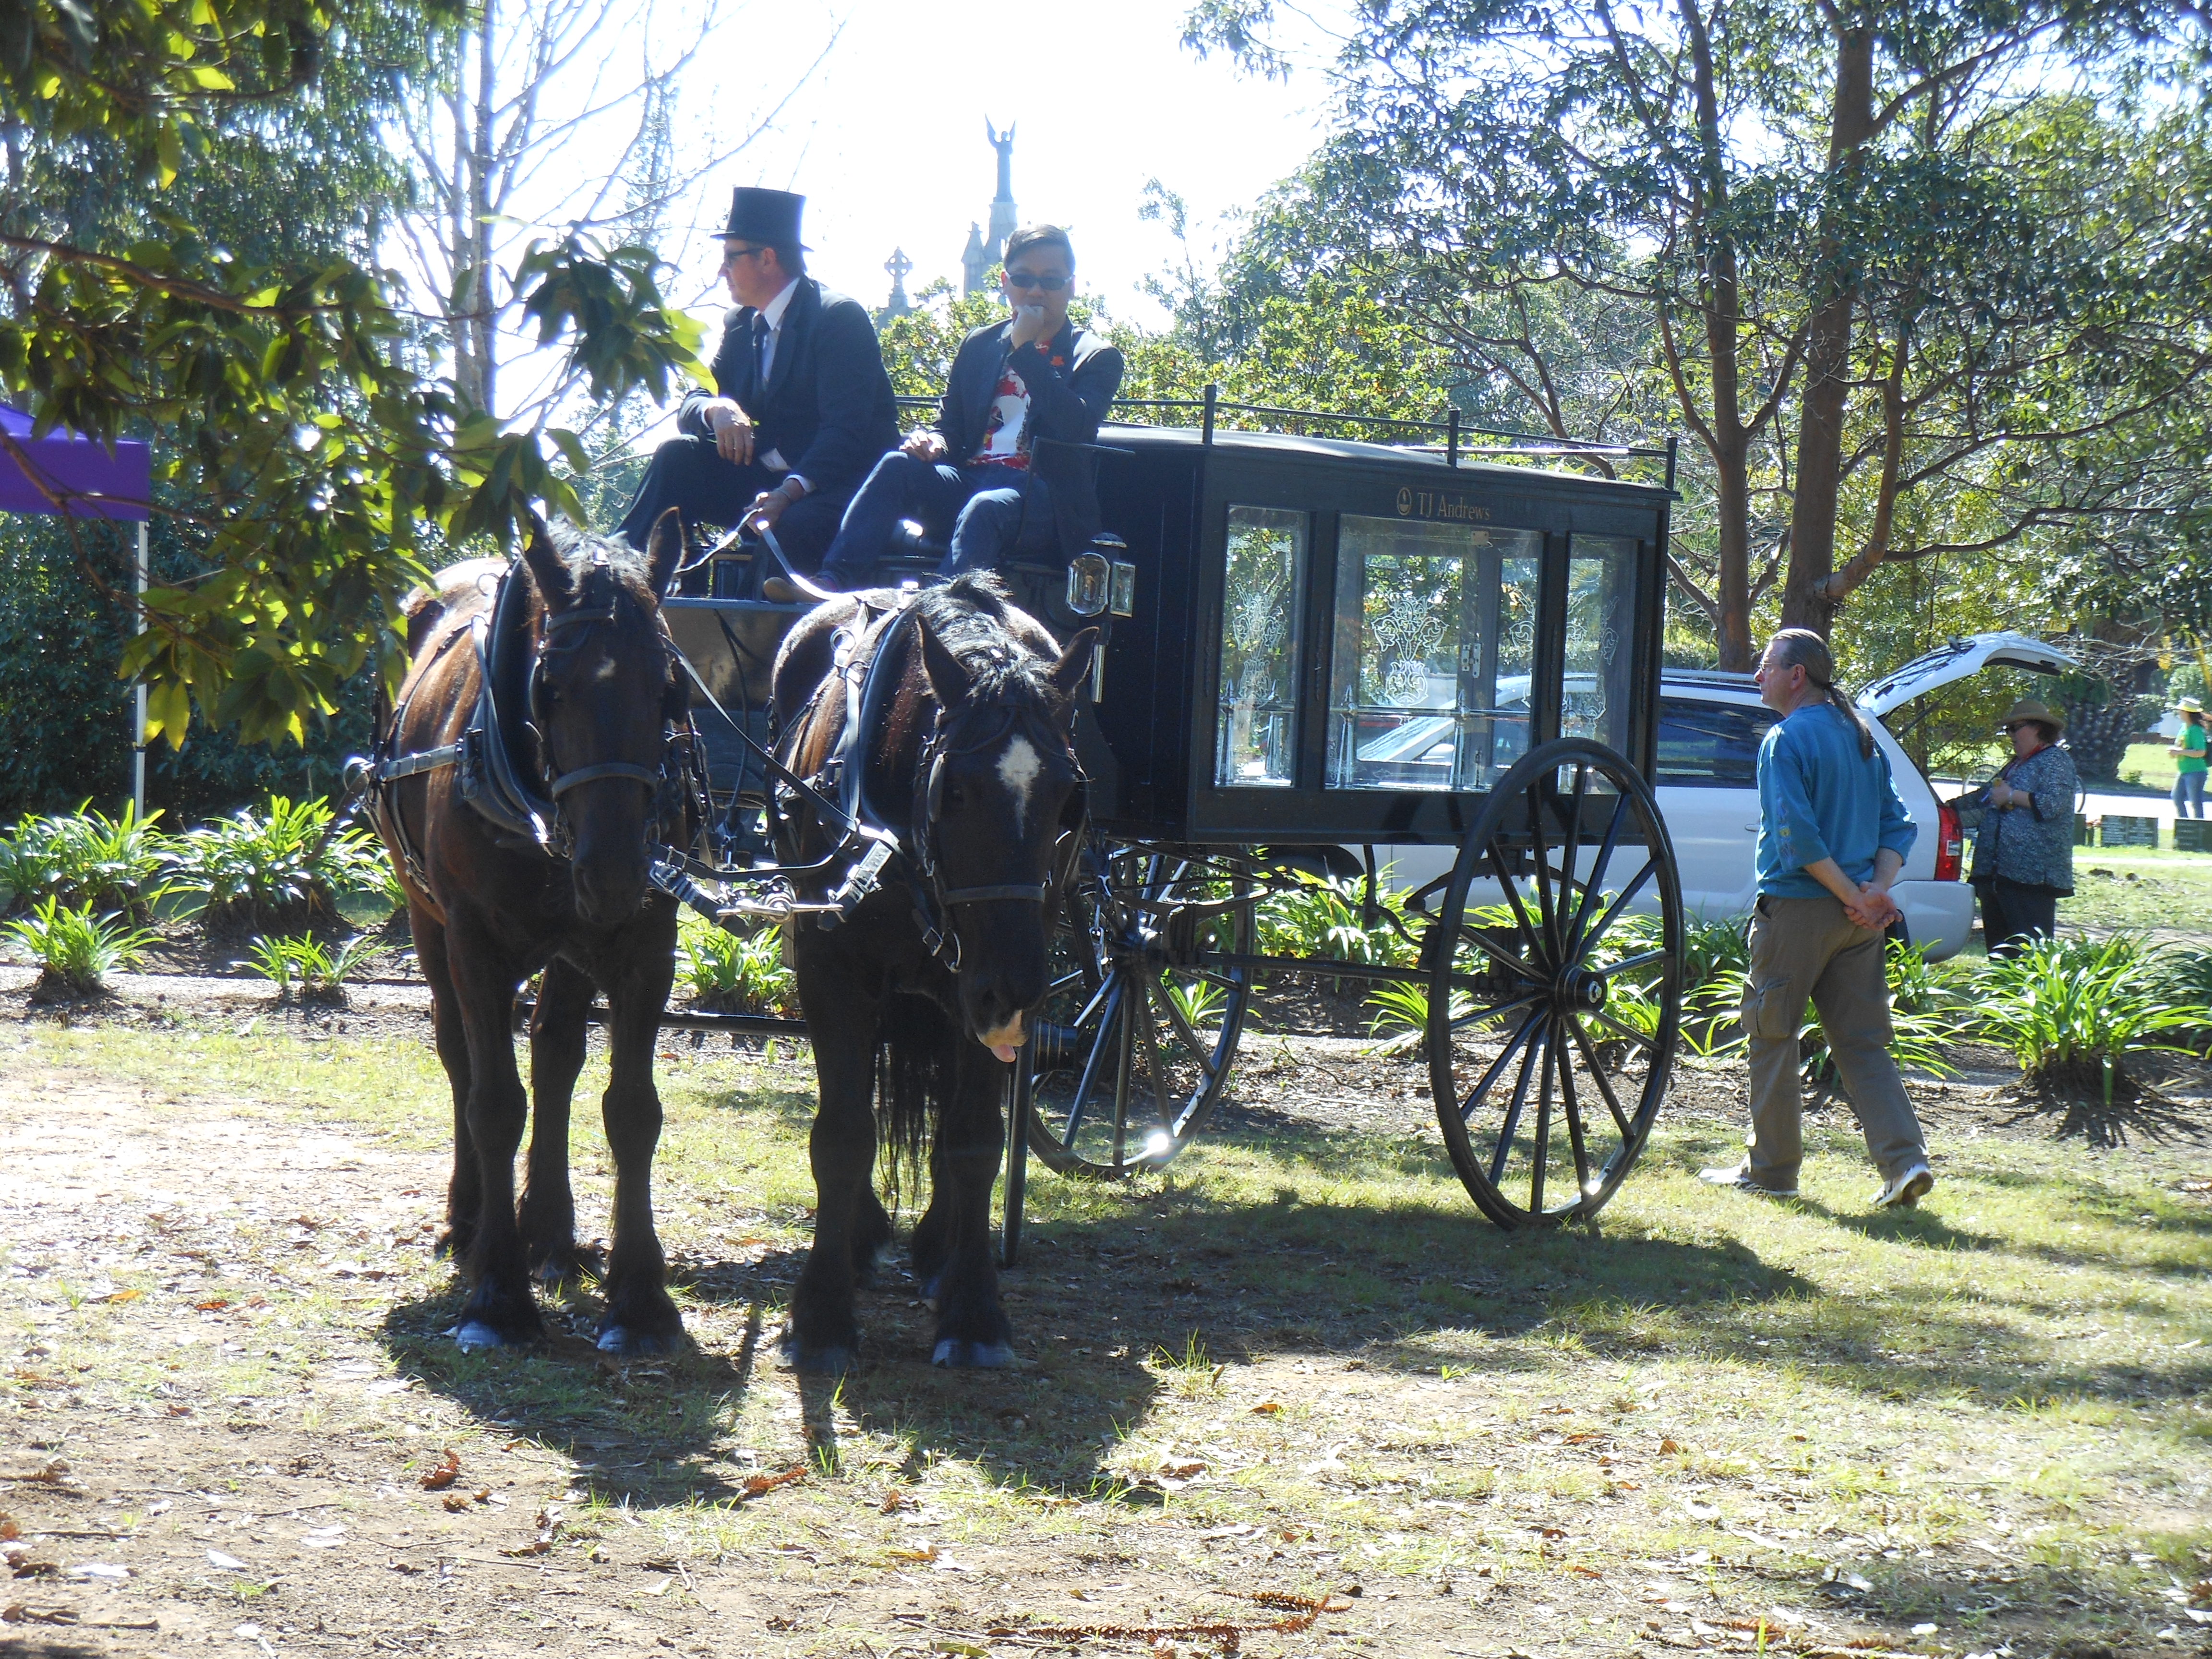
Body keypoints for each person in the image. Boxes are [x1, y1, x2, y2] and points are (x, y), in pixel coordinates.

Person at [1699, 627, 1935, 1209]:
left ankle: (1772, 1171)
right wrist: (1872, 891)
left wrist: (1856, 893)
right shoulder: (1857, 737)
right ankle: (1905, 1163)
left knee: (1771, 1032)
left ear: (1796, 675)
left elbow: (1795, 839)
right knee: (1863, 1044)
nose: (1758, 675)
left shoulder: (1785, 739)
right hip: (1857, 922)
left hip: (1798, 913)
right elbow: (1897, 825)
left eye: (1766, 665)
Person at [814, 223, 1124, 591]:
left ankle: (942, 614)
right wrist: (934, 442)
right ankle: (832, 583)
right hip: (972, 478)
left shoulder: (1096, 356)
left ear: (1071, 287)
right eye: (1024, 279)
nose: (1036, 291)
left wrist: (1025, 352)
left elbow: (1076, 426)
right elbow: (951, 425)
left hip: (1039, 496)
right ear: (1006, 282)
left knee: (985, 507)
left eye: (1051, 281)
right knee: (897, 466)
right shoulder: (980, 344)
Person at [615, 188, 898, 581]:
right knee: (678, 456)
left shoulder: (837, 318)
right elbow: (696, 399)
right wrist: (719, 410)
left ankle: (751, 629)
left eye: (731, 258)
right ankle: (617, 573)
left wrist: (786, 494)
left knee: (784, 528)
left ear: (767, 258)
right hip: (767, 481)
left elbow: (845, 433)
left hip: (837, 487)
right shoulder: (740, 323)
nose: (721, 271)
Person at [1956, 698, 2079, 954]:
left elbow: (2055, 804)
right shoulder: (2015, 764)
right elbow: (1983, 800)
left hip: (2031, 879)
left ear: (2037, 728)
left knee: (2029, 952)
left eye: (2015, 728)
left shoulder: (2055, 760)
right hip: (1997, 875)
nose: (2010, 735)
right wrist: (1942, 810)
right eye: (2007, 730)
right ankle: (2002, 993)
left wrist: (2012, 796)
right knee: (2001, 951)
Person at [2171, 696, 2208, 819]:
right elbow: (2181, 746)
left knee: (2195, 803)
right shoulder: (2183, 728)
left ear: (2187, 713)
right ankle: (2185, 827)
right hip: (2184, 771)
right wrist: (2175, 751)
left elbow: (2201, 752)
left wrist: (2180, 752)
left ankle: (2199, 832)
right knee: (2177, 798)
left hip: (2196, 772)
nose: (2179, 713)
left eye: (2181, 711)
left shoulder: (2195, 730)